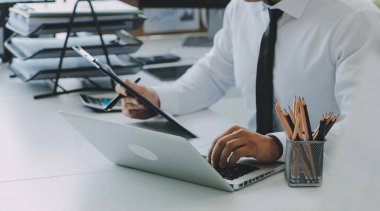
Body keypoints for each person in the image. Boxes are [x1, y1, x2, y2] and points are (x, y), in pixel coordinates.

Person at [115, 0, 380, 168]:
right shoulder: (241, 8)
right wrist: (157, 99)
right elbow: (211, 75)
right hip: (259, 174)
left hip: (326, 180)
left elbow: (365, 131)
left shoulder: (355, 19)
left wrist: (275, 146)